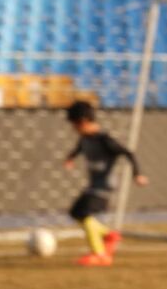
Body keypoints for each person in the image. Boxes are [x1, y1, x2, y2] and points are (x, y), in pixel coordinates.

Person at [63, 100, 148, 267]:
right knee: (75, 212)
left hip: (104, 187)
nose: (73, 129)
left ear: (83, 121)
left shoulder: (105, 140)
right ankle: (109, 235)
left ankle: (100, 254)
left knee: (85, 215)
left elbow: (128, 153)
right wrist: (70, 158)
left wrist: (137, 175)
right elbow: (79, 148)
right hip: (93, 186)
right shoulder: (84, 139)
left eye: (74, 125)